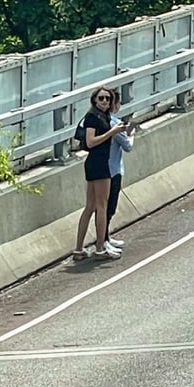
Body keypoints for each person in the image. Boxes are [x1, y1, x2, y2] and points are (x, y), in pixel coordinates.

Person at [72, 87, 128, 261]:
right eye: (101, 98)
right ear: (94, 100)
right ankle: (99, 249)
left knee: (90, 206)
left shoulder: (103, 117)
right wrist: (112, 132)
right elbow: (90, 141)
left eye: (108, 99)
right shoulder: (93, 117)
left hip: (97, 164)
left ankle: (79, 249)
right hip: (99, 164)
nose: (105, 101)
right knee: (100, 207)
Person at [105, 91, 135, 251]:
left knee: (106, 206)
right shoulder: (115, 123)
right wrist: (132, 133)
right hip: (113, 169)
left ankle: (106, 238)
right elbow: (128, 146)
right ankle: (103, 240)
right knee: (109, 207)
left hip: (106, 168)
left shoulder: (104, 121)